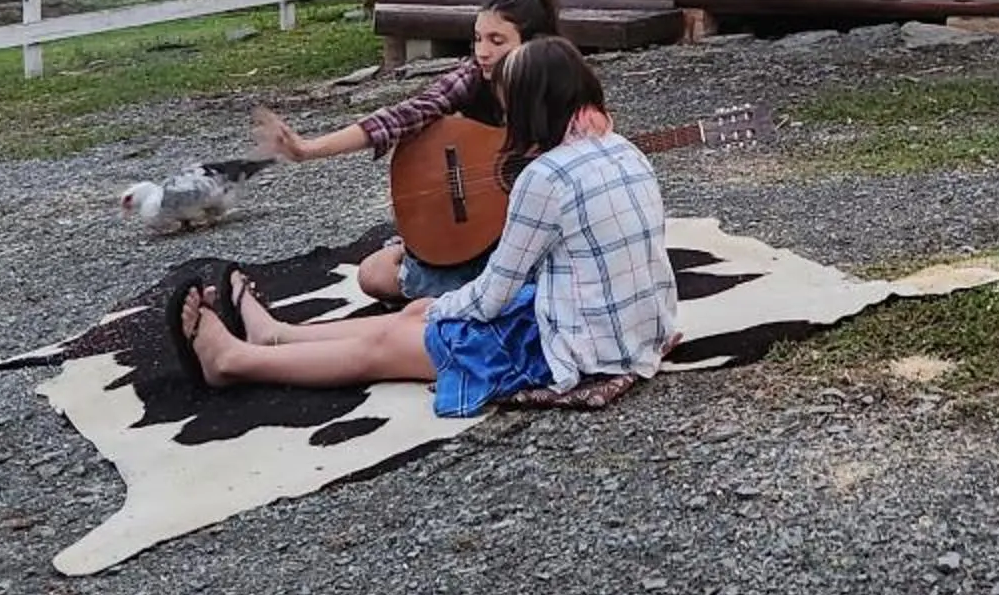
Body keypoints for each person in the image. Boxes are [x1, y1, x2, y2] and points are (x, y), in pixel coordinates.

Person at [179, 37, 680, 415]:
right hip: (630, 332)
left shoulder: (545, 176)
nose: (506, 120)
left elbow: (490, 298)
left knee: (391, 345)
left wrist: (443, 308)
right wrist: (436, 306)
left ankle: (232, 363)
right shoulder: (623, 148)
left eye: (509, 109)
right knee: (420, 309)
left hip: (575, 352)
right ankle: (277, 335)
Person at [251, 0, 564, 305]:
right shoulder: (473, 76)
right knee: (373, 274)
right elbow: (403, 116)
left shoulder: (563, 89)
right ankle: (437, 257)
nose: (482, 52)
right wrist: (308, 149)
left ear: (533, 43)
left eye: (496, 41)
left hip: (538, 243)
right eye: (477, 39)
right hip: (485, 238)